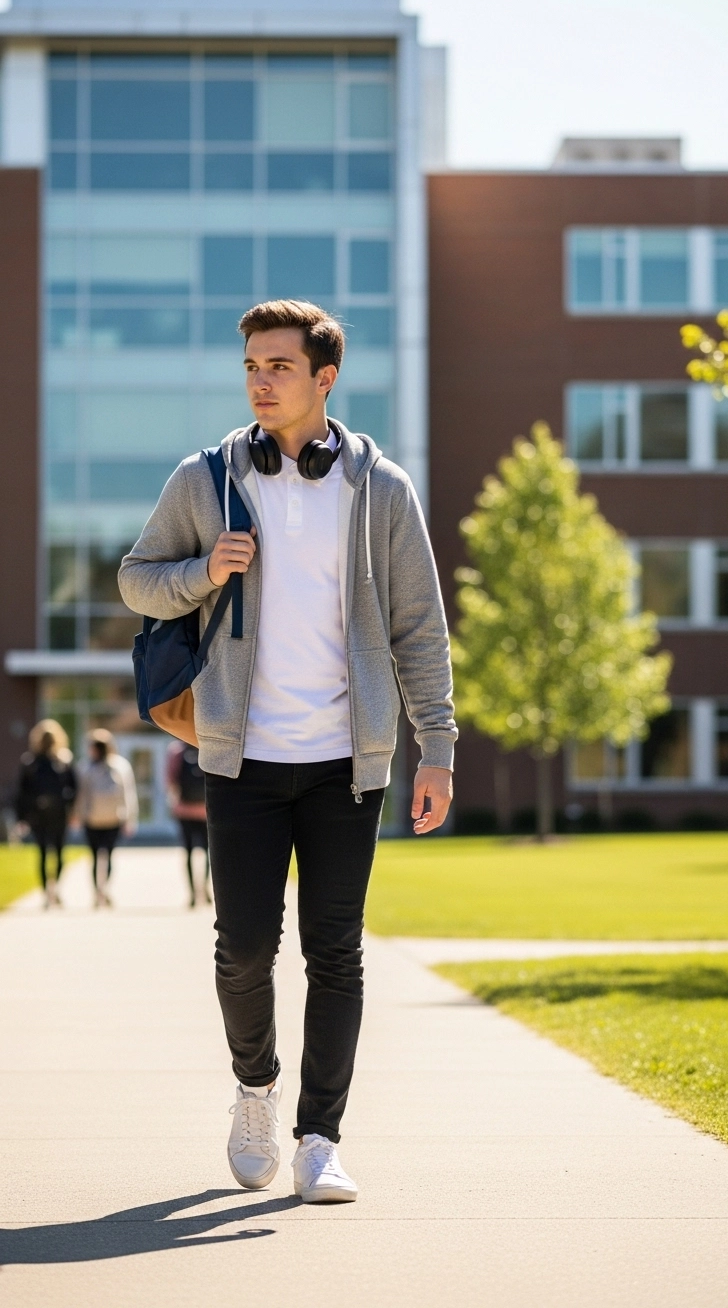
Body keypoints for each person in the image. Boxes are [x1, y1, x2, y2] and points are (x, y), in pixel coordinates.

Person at [118, 299, 456, 1204]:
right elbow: (135, 579)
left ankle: (319, 1139)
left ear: (324, 378)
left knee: (335, 953)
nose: (261, 383)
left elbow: (420, 626)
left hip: (349, 762)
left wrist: (438, 748)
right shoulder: (210, 478)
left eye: (278, 367)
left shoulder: (379, 489)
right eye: (252, 369)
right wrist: (204, 571)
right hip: (244, 758)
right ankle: (256, 1088)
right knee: (241, 951)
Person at [15, 719, 77, 908]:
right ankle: (50, 891)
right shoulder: (32, 762)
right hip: (43, 815)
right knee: (50, 853)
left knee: (51, 853)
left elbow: (73, 788)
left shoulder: (62, 761)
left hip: (53, 814)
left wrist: (22, 817)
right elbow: (23, 792)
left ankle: (51, 890)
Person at [75, 729, 138, 906]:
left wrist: (129, 818)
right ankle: (98, 891)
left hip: (112, 819)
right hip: (93, 820)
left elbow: (128, 794)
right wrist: (78, 816)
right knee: (96, 857)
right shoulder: (85, 768)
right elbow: (81, 795)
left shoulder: (119, 766)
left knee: (107, 856)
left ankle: (103, 889)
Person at [165, 740, 211, 906]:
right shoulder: (208, 745)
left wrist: (173, 804)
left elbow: (170, 779)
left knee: (189, 852)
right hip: (207, 810)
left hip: (184, 810)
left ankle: (192, 893)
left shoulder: (176, 750)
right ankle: (204, 888)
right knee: (208, 852)